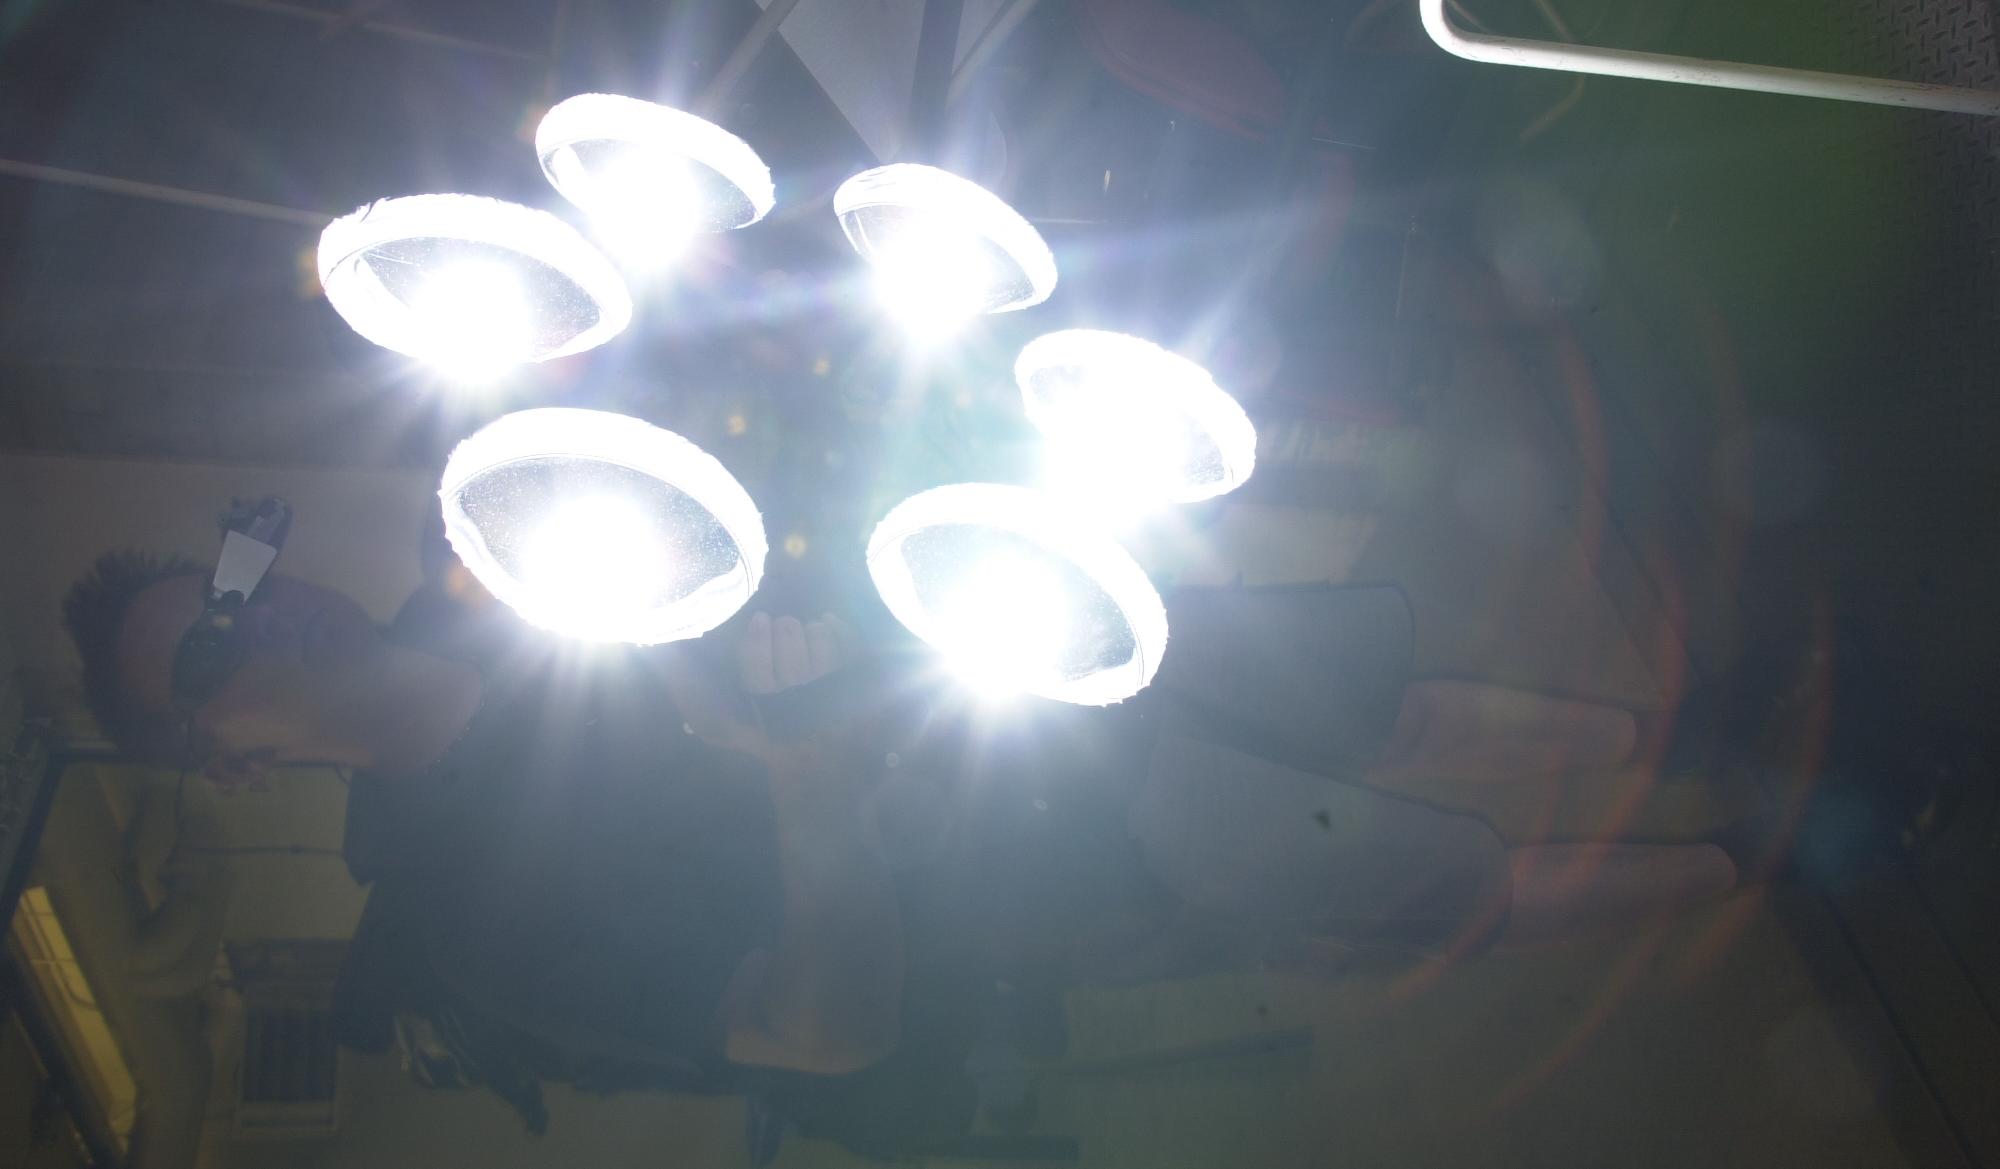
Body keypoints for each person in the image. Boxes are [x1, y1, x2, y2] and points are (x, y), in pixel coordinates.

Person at [61, 536, 1736, 1150]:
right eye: (209, 653)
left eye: (231, 574)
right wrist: (813, 784)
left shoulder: (508, 560)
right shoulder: (463, 917)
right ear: (228, 763)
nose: (249, 610)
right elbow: (821, 1034)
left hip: (1017, 638)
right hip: (1058, 850)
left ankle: (1698, 735)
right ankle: (1760, 857)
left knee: (1374, 695)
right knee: (1436, 876)